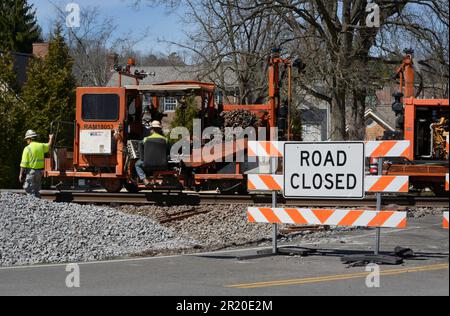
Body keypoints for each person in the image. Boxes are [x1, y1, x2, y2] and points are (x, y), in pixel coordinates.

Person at [19, 130, 54, 198]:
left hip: (31, 172)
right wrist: (51, 138)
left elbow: (23, 164)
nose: (26, 141)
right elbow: (49, 145)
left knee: (29, 189)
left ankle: (32, 204)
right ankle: (38, 202)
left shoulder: (27, 148)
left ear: (29, 139)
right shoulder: (41, 146)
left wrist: (20, 174)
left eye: (27, 139)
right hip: (39, 172)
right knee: (37, 189)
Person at [135, 121, 166, 186]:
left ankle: (144, 179)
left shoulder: (145, 139)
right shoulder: (165, 139)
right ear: (160, 129)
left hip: (147, 164)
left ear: (152, 130)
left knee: (137, 164)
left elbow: (140, 149)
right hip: (162, 165)